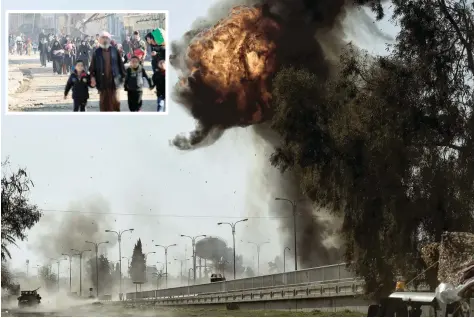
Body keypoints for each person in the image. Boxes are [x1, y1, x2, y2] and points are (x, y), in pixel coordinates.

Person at [89, 31, 126, 112]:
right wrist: (92, 77)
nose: (105, 40)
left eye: (107, 38)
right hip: (102, 83)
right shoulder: (96, 53)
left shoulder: (114, 51)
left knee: (116, 102)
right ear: (99, 40)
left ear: (109, 40)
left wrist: (124, 78)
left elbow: (121, 66)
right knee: (104, 105)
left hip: (114, 82)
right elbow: (92, 68)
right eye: (103, 38)